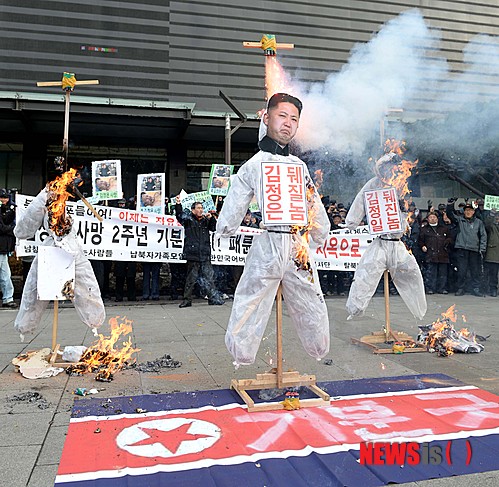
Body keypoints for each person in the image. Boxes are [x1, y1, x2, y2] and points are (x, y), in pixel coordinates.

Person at [216, 92, 330, 366]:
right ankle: (241, 352)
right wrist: (225, 228)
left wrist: (320, 231)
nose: (288, 124)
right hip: (267, 244)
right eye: (282, 116)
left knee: (310, 299)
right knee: (251, 299)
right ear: (267, 118)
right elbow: (236, 200)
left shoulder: (299, 166)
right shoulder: (253, 166)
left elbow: (312, 201)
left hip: (296, 246)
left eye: (294, 119)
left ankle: (318, 347)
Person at [14, 182, 105, 337]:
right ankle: (25, 326)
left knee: (86, 284)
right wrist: (44, 196)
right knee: (35, 288)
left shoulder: (76, 202)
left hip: (72, 249)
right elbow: (22, 230)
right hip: (51, 250)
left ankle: (94, 319)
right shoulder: (46, 199)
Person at [345, 152, 427, 320]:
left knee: (412, 272)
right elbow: (360, 201)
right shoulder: (373, 184)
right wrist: (351, 221)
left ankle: (419, 310)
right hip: (381, 243)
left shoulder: (401, 184)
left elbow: (406, 211)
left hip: (397, 244)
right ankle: (355, 308)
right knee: (366, 273)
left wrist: (405, 214)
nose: (391, 169)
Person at [176, 198, 223, 307]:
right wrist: (178, 204)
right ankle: (187, 300)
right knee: (191, 279)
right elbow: (179, 216)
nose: (201, 210)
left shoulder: (206, 220)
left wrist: (212, 218)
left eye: (202, 208)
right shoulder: (188, 220)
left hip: (205, 253)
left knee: (209, 278)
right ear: (193, 210)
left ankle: (212, 298)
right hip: (193, 254)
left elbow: (214, 228)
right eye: (198, 208)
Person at [446, 199, 487, 296]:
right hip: (462, 249)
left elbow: (483, 236)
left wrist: (482, 249)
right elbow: (450, 214)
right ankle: (461, 288)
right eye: (466, 210)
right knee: (461, 271)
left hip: (474, 250)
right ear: (464, 212)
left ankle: (476, 288)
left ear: (473, 212)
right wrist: (450, 204)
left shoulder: (479, 222)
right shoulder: (460, 220)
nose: (468, 212)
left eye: (470, 210)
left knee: (475, 271)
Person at [418, 211, 452, 294]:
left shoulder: (444, 228)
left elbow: (450, 238)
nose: (432, 219)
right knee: (431, 273)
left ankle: (442, 288)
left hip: (442, 253)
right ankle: (430, 288)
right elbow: (420, 240)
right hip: (430, 254)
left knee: (443, 273)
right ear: (428, 219)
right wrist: (422, 246)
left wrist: (447, 242)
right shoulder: (424, 229)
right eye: (430, 217)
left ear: (437, 218)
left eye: (434, 217)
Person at [0, 189, 18, 308]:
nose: (4, 200)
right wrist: (13, 230)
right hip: (2, 248)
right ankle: (8, 298)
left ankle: (8, 298)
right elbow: (2, 227)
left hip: (4, 248)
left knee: (5, 274)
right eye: (2, 197)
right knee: (5, 274)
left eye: (6, 197)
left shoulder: (7, 210)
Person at [483, 209, 499, 297]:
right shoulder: (492, 227)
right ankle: (493, 289)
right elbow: (487, 224)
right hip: (493, 254)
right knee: (493, 274)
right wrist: (491, 214)